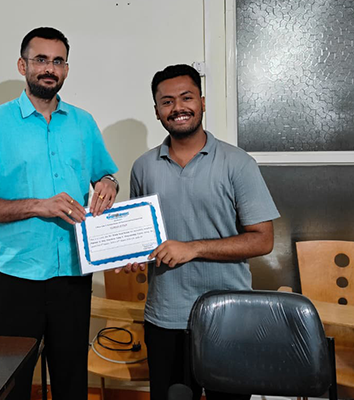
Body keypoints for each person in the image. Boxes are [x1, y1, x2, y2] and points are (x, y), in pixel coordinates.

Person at [0, 27, 119, 400]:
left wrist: (109, 182)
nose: (49, 68)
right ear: (22, 65)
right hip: (16, 278)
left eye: (58, 61)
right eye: (40, 59)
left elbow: (104, 175)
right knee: (13, 384)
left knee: (72, 382)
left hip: (74, 273)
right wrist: (39, 205)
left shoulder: (83, 123)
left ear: (66, 69)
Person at [120, 64, 280, 400]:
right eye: (167, 101)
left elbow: (263, 239)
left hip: (229, 315)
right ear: (157, 111)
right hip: (165, 317)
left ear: (202, 102)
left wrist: (192, 248)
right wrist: (131, 254)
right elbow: (143, 237)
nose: (178, 107)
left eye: (187, 97)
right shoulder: (143, 167)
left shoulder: (238, 163)